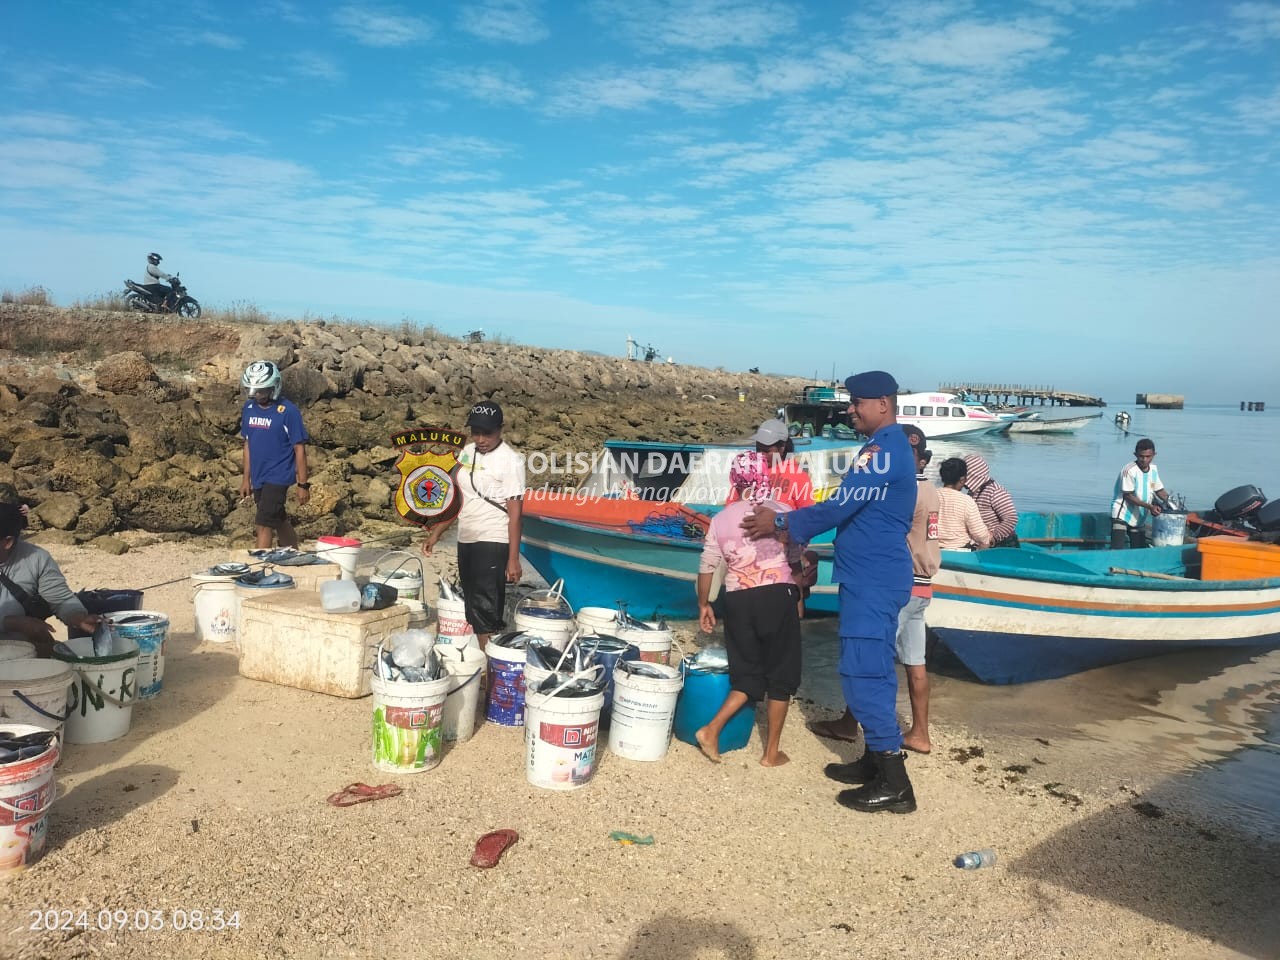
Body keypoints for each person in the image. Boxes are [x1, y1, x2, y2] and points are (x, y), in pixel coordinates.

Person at [742, 370, 919, 814]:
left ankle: (895, 783)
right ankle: (873, 762)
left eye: (857, 402)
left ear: (882, 403)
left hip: (873, 580)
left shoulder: (882, 450)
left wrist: (780, 523)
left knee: (864, 673)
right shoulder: (888, 447)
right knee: (870, 666)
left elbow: (842, 505)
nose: (850, 409)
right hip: (870, 576)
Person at [806, 425, 941, 755]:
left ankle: (858, 730)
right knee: (915, 662)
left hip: (897, 582)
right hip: (923, 586)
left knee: (870, 661)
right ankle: (920, 732)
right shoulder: (932, 491)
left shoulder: (906, 491)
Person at [695, 451, 802, 768]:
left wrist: (704, 604)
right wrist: (799, 598)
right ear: (766, 476)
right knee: (781, 675)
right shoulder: (781, 511)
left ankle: (712, 730)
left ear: (734, 480)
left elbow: (707, 565)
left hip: (738, 599)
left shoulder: (721, 518)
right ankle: (771, 754)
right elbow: (794, 558)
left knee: (748, 675)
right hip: (776, 595)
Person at [421, 401, 525, 650]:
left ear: (500, 429)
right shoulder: (467, 452)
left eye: (487, 432)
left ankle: (492, 671)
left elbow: (516, 515)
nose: (480, 438)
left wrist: (513, 559)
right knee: (473, 606)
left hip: (493, 539)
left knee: (486, 609)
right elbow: (458, 498)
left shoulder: (511, 461)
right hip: (466, 538)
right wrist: (438, 530)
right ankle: (486, 662)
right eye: (475, 432)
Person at [726, 418, 816, 613]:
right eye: (759, 448)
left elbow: (808, 516)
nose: (762, 454)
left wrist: (802, 551)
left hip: (786, 555)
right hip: (750, 559)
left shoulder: (797, 475)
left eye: (767, 449)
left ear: (782, 448)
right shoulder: (747, 471)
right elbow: (731, 508)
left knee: (792, 607)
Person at [0, 502, 99, 655]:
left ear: (7, 542)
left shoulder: (36, 558)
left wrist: (78, 617)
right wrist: (11, 623)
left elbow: (61, 600)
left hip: (24, 649)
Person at [239, 360, 311, 550]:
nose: (256, 395)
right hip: (258, 476)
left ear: (274, 387)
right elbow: (247, 444)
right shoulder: (248, 408)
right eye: (252, 390)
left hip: (279, 476)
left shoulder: (288, 412)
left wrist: (303, 484)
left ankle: (259, 568)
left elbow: (300, 449)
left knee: (263, 522)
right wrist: (246, 479)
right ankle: (294, 554)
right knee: (278, 519)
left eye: (261, 390)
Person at [1111, 438, 1171, 549]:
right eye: (1141, 456)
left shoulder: (1153, 470)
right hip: (1123, 514)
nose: (1144, 460)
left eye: (1148, 457)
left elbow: (1159, 490)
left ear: (1154, 455)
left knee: (1138, 548)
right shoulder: (1129, 470)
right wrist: (1150, 506)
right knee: (1117, 548)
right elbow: (1128, 496)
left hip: (1140, 516)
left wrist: (1172, 504)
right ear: (1135, 455)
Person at [962, 454, 1018, 547]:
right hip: (983, 541)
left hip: (1002, 543)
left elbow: (1011, 518)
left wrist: (993, 539)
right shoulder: (974, 491)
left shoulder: (995, 491)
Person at [937, 457, 991, 550]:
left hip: (932, 549)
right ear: (962, 480)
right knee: (985, 542)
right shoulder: (966, 501)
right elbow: (980, 535)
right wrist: (987, 538)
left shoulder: (930, 495)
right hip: (959, 550)